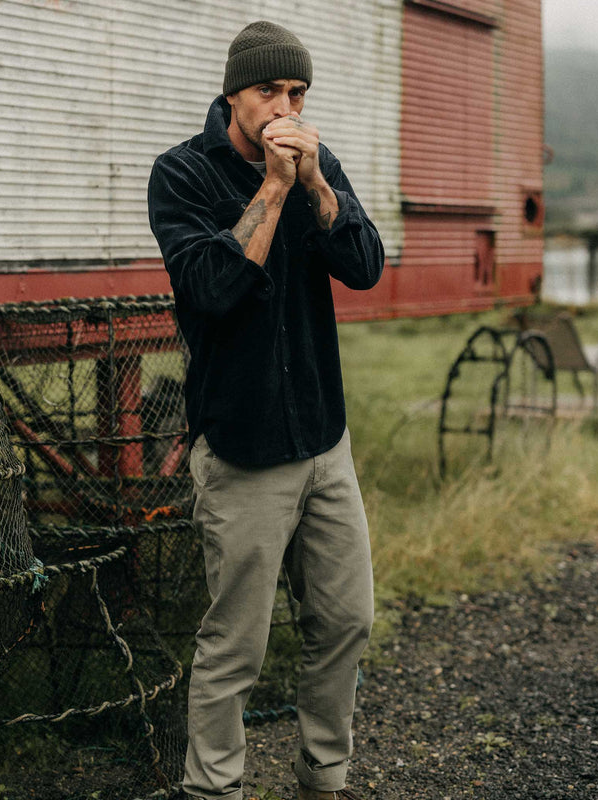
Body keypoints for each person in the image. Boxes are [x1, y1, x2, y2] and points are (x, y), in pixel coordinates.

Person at [147, 20, 385, 800]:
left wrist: (316, 184)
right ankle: (214, 789)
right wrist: (275, 188)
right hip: (244, 448)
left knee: (347, 620)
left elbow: (365, 267)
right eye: (270, 91)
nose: (286, 105)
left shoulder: (319, 167)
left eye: (298, 92)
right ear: (232, 95)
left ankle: (323, 779)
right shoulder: (182, 174)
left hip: (323, 438)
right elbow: (212, 292)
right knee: (235, 646)